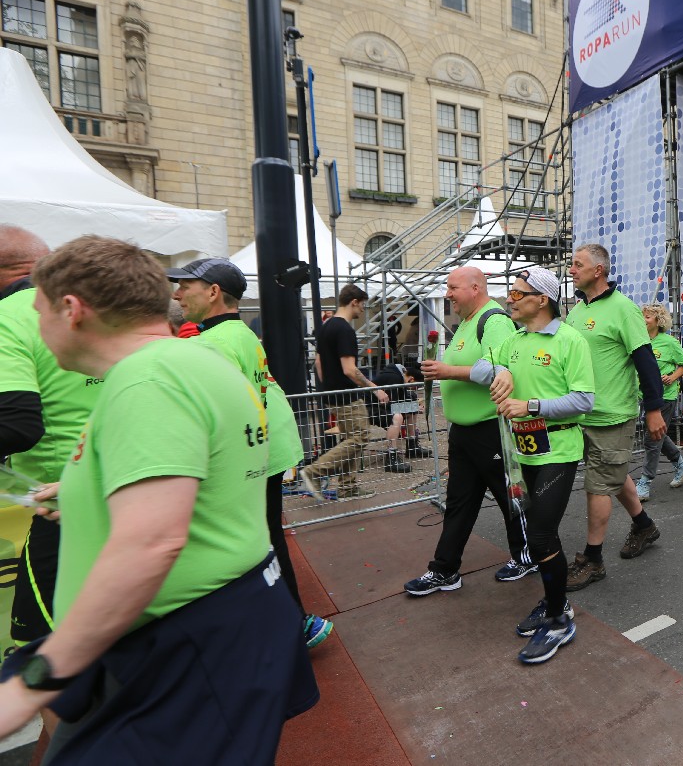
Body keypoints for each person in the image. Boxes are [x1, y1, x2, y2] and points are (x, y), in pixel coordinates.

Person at [0, 236, 316, 761]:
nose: (37, 328)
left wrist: (38, 679)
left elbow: (152, 543)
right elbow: (204, 473)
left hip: (183, 645)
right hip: (213, 626)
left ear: (72, 310)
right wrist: (85, 492)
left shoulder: (146, 381)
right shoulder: (190, 361)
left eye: (39, 313)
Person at [167, 257, 334, 650]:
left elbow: (218, 412)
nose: (176, 294)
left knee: (257, 542)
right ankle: (292, 622)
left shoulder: (213, 343)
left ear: (213, 292)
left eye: (185, 286)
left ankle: (289, 625)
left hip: (255, 451)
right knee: (267, 537)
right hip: (269, 445)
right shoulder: (236, 332)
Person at [0, 227, 100, 695]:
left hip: (61, 507)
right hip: (123, 488)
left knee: (45, 658)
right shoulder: (98, 307)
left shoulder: (10, 315)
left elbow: (19, 423)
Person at [487, 267, 595, 663]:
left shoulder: (570, 340)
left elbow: (584, 400)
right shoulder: (514, 339)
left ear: (542, 299)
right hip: (522, 452)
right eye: (511, 292)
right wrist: (500, 372)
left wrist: (530, 406)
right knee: (536, 533)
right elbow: (487, 365)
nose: (509, 299)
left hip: (558, 451)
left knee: (540, 536)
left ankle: (559, 620)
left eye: (518, 294)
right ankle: (556, 602)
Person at [403, 266, 529, 595]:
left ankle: (526, 556)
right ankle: (444, 569)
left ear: (475, 288)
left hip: (489, 428)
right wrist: (439, 373)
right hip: (463, 431)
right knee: (459, 501)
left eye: (452, 288)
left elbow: (498, 370)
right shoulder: (466, 322)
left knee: (510, 497)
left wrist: (446, 371)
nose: (447, 294)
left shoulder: (494, 320)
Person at [565, 245, 667, 591]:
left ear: (598, 270)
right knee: (612, 473)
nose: (571, 270)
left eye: (577, 264)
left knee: (597, 486)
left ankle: (593, 560)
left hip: (611, 415)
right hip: (581, 413)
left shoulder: (624, 309)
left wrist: (654, 409)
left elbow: (646, 362)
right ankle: (644, 526)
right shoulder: (577, 310)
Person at [301, 284, 390, 498]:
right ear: (354, 302)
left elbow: (319, 363)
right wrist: (374, 388)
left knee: (350, 439)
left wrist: (328, 387)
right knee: (360, 437)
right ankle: (314, 471)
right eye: (362, 305)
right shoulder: (344, 330)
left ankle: (347, 487)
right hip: (347, 396)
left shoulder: (326, 327)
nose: (362, 310)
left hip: (332, 395)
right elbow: (350, 370)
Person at [635, 303, 683, 501]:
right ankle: (680, 464)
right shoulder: (639, 340)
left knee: (652, 439)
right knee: (658, 433)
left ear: (658, 321)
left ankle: (645, 481)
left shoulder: (669, 342)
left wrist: (672, 376)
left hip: (665, 397)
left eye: (647, 317)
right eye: (642, 316)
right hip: (644, 395)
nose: (643, 320)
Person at [367, 361, 417, 474]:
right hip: (368, 407)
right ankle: (391, 458)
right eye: (415, 386)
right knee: (397, 417)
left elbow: (395, 401)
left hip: (377, 406)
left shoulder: (398, 376)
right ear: (411, 379)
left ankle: (412, 446)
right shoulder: (394, 378)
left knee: (412, 407)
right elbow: (392, 404)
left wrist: (414, 406)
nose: (414, 388)